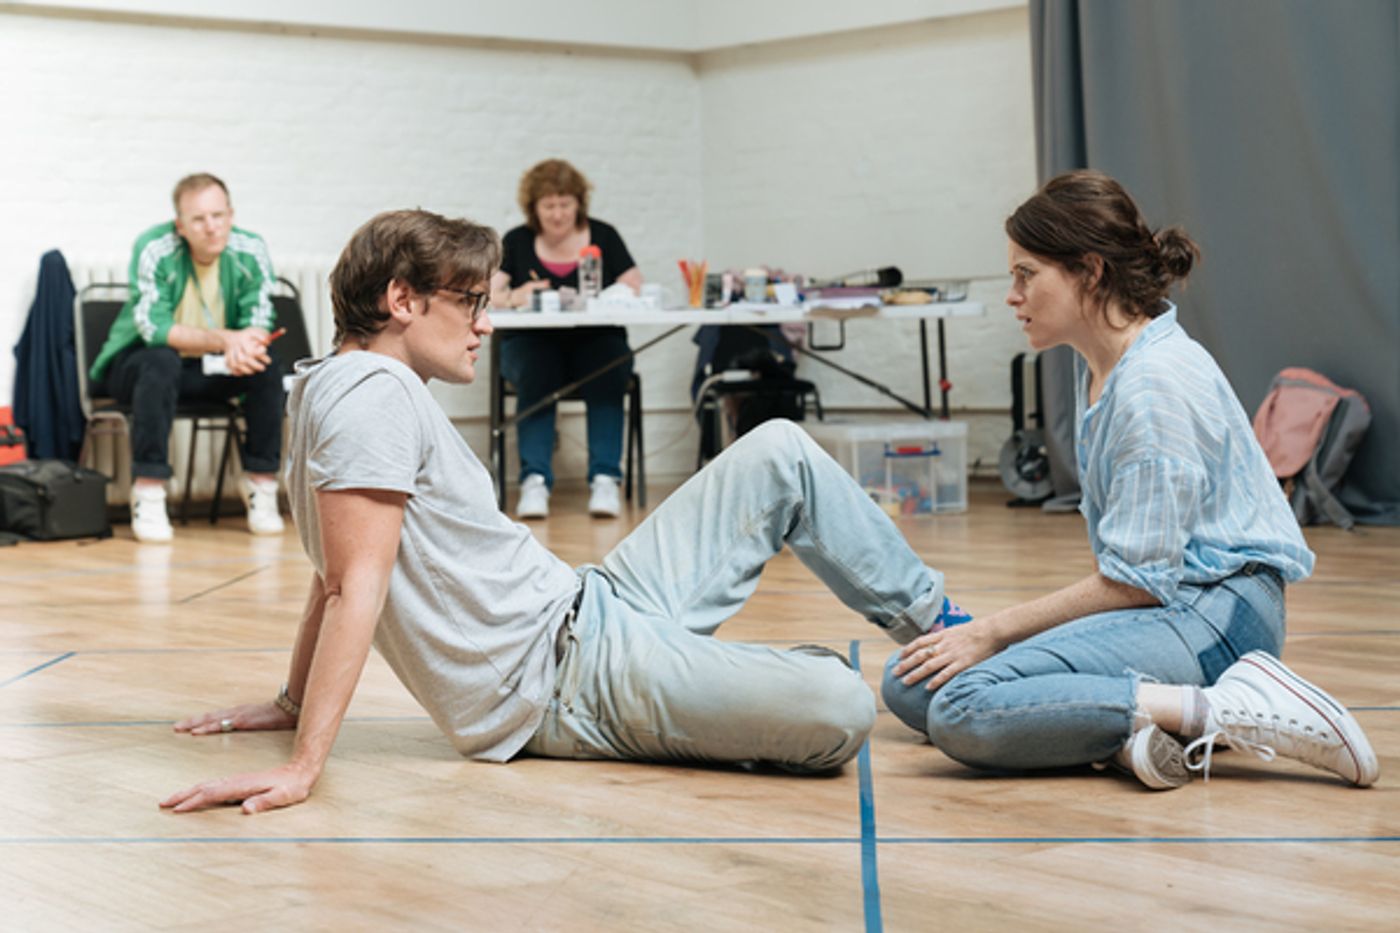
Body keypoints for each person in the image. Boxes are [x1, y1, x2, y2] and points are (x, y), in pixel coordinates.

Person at [159, 209, 969, 815]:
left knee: (781, 451)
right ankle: (869, 665)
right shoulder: (372, 394)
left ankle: (946, 634)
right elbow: (350, 588)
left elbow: (329, 572)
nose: (485, 323)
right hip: (565, 682)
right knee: (842, 706)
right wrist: (305, 764)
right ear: (401, 299)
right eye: (468, 302)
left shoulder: (330, 382)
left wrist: (294, 701)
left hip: (593, 605)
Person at [881, 171, 1379, 790]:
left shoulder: (1152, 387)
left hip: (1218, 620)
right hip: (1173, 605)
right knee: (909, 685)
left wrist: (992, 630)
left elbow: (1135, 583)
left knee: (961, 710)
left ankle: (1223, 710)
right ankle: (1134, 735)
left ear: (1089, 271)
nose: (1013, 295)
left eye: (1025, 274)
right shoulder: (1105, 365)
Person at [89, 173, 284, 543]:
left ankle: (261, 484)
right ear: (181, 226)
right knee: (161, 359)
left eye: (218, 215)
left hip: (209, 367)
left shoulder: (251, 249)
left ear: (231, 214)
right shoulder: (154, 248)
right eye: (198, 219)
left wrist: (247, 347)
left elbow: (259, 322)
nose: (211, 228)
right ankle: (149, 489)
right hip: (140, 367)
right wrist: (226, 340)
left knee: (267, 363)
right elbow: (156, 330)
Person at [488, 159, 643, 520]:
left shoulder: (604, 236)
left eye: (565, 204)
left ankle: (605, 478)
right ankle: (535, 481)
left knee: (609, 364)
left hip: (595, 339)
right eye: (549, 206)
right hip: (532, 344)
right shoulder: (517, 240)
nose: (558, 214)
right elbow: (487, 293)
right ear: (534, 208)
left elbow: (633, 282)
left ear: (579, 204)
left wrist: (615, 294)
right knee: (538, 369)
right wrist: (516, 295)